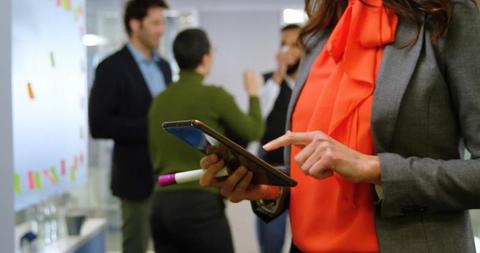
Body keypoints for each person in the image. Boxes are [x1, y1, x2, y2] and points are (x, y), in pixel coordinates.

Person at [199, 0, 480, 252]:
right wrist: (270, 187)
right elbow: (321, 174)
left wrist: (376, 169)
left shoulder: (448, 15)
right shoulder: (319, 33)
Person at [148, 28, 264, 253]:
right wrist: (254, 94)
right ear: (205, 58)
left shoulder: (159, 102)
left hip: (161, 206)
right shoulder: (214, 96)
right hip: (199, 205)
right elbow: (253, 131)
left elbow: (152, 153)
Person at [88, 0, 172, 252]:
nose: (161, 30)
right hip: (135, 179)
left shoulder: (164, 67)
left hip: (168, 177)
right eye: (155, 23)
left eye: (163, 23)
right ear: (135, 25)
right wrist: (150, 127)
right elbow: (99, 125)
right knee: (135, 246)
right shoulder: (111, 68)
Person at [256, 24, 302, 253]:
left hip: (304, 168)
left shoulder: (312, 82)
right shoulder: (268, 81)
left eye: (294, 44)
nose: (288, 50)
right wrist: (278, 75)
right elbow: (258, 116)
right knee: (272, 237)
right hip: (271, 166)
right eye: (284, 44)